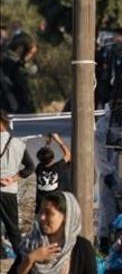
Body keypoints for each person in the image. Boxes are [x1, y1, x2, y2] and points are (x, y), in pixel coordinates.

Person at [0, 110, 36, 258]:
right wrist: (13, 178)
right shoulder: (18, 144)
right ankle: (21, 259)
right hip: (9, 190)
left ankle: (2, 254)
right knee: (13, 228)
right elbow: (30, 167)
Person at [1, 29, 38, 114]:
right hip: (7, 73)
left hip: (16, 72)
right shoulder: (8, 44)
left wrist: (24, 61)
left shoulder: (21, 39)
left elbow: (33, 48)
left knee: (22, 94)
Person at [34, 133, 72, 211]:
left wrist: (47, 144)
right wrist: (58, 140)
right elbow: (68, 155)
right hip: (56, 205)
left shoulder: (39, 168)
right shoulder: (58, 167)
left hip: (41, 206)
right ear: (53, 157)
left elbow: (44, 156)